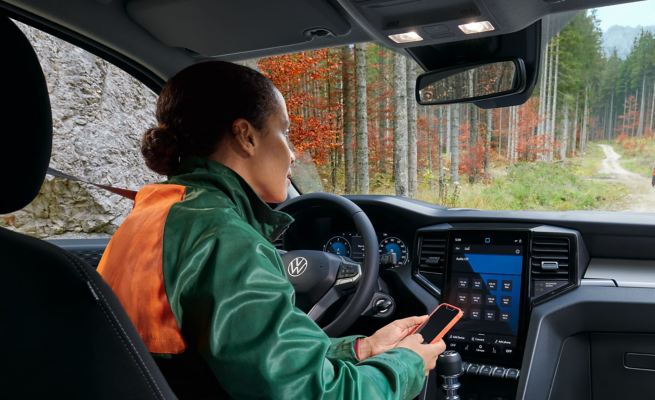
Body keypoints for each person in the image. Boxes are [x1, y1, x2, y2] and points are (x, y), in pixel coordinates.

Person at [96, 61, 445, 399]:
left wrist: (363, 347)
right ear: (246, 136)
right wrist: (406, 366)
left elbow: (250, 359)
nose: (292, 154)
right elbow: (311, 394)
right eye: (286, 131)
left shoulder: (155, 213)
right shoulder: (224, 239)